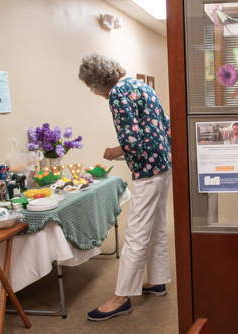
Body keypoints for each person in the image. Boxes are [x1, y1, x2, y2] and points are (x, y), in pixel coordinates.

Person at [78, 53, 172, 321]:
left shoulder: (118, 94)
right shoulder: (142, 86)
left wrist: (116, 149)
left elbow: (133, 141)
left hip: (147, 170)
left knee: (136, 232)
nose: (94, 93)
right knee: (156, 226)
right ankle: (156, 280)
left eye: (91, 87)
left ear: (97, 82)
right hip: (164, 165)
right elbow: (163, 127)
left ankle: (121, 297)